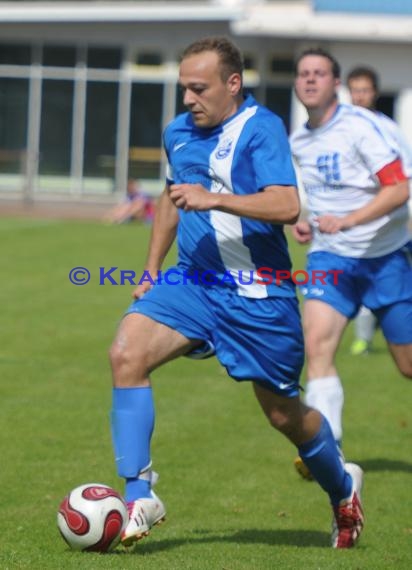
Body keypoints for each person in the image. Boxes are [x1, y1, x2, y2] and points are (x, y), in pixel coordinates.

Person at [109, 37, 364, 549]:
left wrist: (214, 199)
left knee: (282, 415)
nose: (187, 99)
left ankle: (342, 490)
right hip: (195, 282)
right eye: (183, 88)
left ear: (232, 84)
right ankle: (141, 493)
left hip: (260, 298)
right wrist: (152, 269)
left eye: (198, 88)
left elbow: (287, 205)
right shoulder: (178, 132)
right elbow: (171, 196)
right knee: (125, 353)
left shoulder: (261, 129)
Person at [290, 48, 412, 479]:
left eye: (318, 73)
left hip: (384, 258)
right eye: (302, 74)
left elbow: (399, 190)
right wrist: (307, 224)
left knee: (407, 365)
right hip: (331, 258)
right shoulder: (299, 140)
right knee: (316, 343)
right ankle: (330, 452)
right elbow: (322, 199)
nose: (309, 80)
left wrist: (350, 221)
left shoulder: (364, 128)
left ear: (334, 82)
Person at [346, 66, 412, 356]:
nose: (360, 96)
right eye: (355, 90)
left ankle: (386, 332)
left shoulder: (389, 130)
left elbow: (405, 177)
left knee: (387, 283)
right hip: (347, 225)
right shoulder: (337, 128)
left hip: (385, 224)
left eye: (365, 90)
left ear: (374, 93)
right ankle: (361, 338)